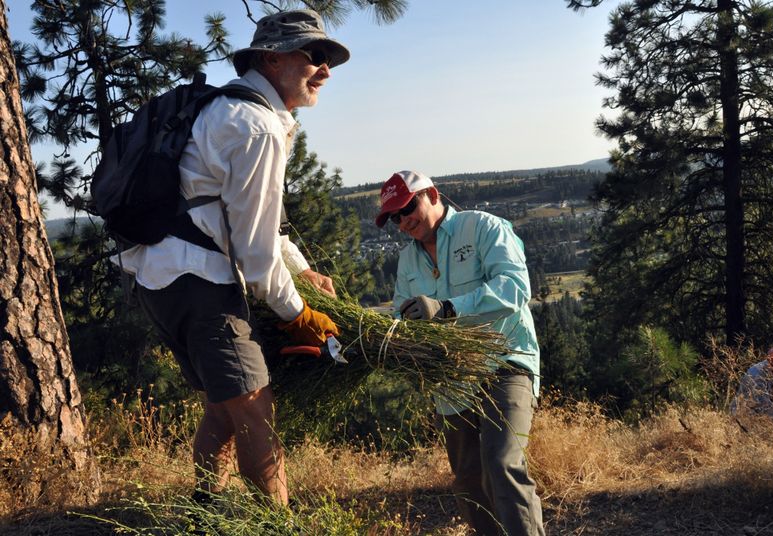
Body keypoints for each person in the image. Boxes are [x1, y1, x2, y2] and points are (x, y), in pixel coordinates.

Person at [120, 9, 349, 504]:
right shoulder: (257, 126)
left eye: (328, 58)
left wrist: (301, 267)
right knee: (254, 413)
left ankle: (206, 515)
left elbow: (251, 221)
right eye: (315, 56)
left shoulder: (226, 107)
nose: (326, 70)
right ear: (271, 57)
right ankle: (275, 525)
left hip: (164, 279)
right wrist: (299, 313)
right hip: (202, 287)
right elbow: (255, 251)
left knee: (224, 410)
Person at [376, 171, 545, 535]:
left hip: (505, 361)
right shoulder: (408, 261)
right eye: (395, 217)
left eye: (408, 207)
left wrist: (447, 308)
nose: (404, 220)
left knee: (501, 463)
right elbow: (400, 318)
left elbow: (515, 288)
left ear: (433, 195)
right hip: (450, 378)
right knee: (468, 481)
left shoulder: (484, 228)